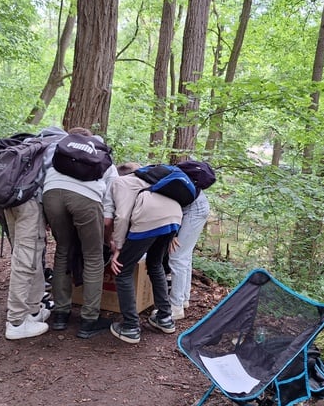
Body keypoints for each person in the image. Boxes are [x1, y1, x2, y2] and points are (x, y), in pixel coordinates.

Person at [42, 127, 118, 339]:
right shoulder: (101, 155)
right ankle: (89, 320)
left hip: (51, 193)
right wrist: (110, 236)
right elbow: (109, 205)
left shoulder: (60, 150)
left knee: (62, 251)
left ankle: (60, 314)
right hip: (86, 198)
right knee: (93, 256)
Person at [4, 126, 67, 340]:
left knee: (30, 256)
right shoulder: (58, 147)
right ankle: (16, 322)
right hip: (30, 203)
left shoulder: (31, 144)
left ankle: (33, 311)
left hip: (11, 201)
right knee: (26, 259)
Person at [108, 163, 182, 344]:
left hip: (150, 217)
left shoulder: (120, 182)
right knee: (155, 263)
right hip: (175, 215)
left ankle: (130, 327)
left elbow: (122, 216)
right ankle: (165, 318)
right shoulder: (152, 180)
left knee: (122, 270)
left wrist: (118, 248)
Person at [167, 189, 210, 320]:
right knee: (184, 255)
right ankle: (183, 299)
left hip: (193, 209)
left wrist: (173, 233)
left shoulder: (157, 183)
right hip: (196, 205)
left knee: (177, 256)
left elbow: (170, 204)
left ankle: (175, 307)